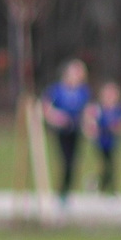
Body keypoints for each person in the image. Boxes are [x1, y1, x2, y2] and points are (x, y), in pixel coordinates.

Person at [42, 59, 90, 203]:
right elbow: (46, 108)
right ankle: (62, 191)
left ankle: (67, 190)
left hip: (76, 129)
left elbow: (88, 110)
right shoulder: (56, 90)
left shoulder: (83, 91)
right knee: (65, 160)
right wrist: (57, 117)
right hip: (61, 130)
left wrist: (89, 123)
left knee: (73, 161)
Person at [90, 82, 121, 196]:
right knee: (104, 165)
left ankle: (110, 188)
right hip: (101, 141)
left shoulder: (119, 110)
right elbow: (92, 124)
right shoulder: (98, 109)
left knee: (111, 165)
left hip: (112, 142)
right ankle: (101, 186)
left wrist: (116, 127)